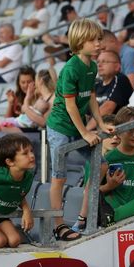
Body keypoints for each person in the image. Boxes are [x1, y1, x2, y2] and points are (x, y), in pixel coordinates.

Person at [46, 18, 114, 241]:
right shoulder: (70, 69)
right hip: (60, 127)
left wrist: (100, 123)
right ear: (79, 42)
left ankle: (84, 216)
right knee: (59, 178)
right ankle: (58, 225)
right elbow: (71, 105)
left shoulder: (92, 66)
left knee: (101, 165)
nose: (98, 44)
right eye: (93, 40)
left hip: (76, 126)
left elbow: (91, 97)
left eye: (99, 39)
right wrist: (85, 132)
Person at [71, 114, 119, 232]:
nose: (115, 138)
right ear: (99, 135)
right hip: (97, 214)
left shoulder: (121, 159)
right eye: (110, 134)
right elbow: (87, 191)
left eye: (118, 134)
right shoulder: (92, 162)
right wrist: (109, 186)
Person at [86, 50, 133, 130]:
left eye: (104, 62)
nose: (99, 65)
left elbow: (108, 108)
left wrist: (86, 130)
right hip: (98, 131)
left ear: (117, 66)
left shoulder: (120, 79)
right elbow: (87, 112)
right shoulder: (96, 85)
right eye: (98, 62)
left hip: (117, 130)